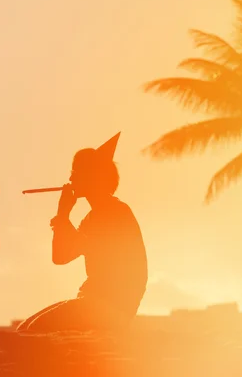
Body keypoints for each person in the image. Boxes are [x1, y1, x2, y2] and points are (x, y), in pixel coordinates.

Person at [17, 132, 148, 332]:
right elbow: (61, 257)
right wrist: (63, 217)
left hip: (111, 306)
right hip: (94, 302)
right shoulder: (92, 217)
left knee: (34, 330)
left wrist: (63, 217)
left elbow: (94, 248)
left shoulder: (116, 212)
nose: (70, 178)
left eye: (76, 172)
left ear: (92, 176)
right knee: (25, 327)